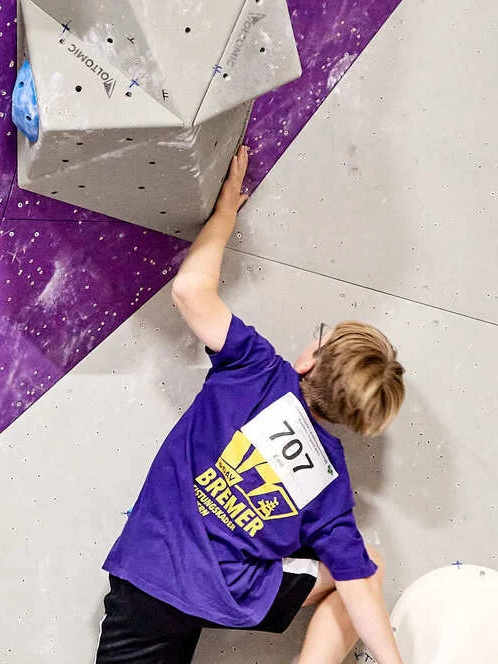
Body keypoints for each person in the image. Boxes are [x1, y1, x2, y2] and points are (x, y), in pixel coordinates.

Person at [96, 146, 407, 664]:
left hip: (152, 572)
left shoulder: (255, 365)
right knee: (365, 564)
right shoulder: (330, 487)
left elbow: (190, 290)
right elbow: (357, 585)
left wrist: (223, 214)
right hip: (231, 593)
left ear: (309, 360)